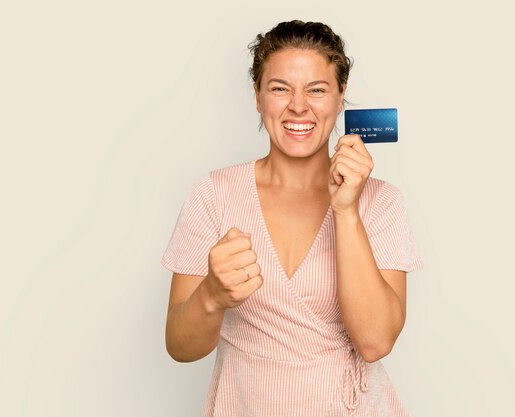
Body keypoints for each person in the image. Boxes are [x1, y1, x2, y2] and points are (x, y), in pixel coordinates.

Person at [162, 20, 423, 417]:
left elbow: (374, 342)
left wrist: (347, 210)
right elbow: (180, 347)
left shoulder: (381, 201)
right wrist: (212, 296)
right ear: (257, 97)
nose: (298, 106)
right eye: (280, 88)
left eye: (317, 90)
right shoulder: (214, 194)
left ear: (340, 98)